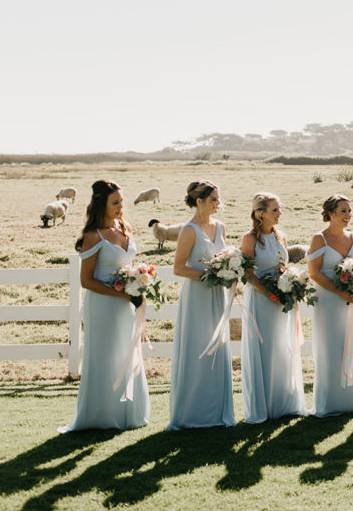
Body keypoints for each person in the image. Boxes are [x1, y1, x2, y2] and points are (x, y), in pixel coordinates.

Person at [59, 180, 150, 432]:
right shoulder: (92, 236)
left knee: (126, 353)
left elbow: (127, 263)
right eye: (115, 202)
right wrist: (120, 292)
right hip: (103, 305)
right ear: (102, 204)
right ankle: (101, 414)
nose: (121, 206)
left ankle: (128, 413)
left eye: (122, 201)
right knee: (105, 356)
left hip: (126, 305)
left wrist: (138, 282)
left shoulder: (124, 229)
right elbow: (86, 280)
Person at [168, 180, 236, 430]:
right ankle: (192, 413)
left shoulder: (220, 228)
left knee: (218, 347)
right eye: (213, 199)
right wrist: (211, 276)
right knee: (198, 347)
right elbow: (179, 268)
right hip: (197, 296)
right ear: (199, 201)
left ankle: (217, 412)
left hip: (218, 296)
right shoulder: (189, 230)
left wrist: (229, 271)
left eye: (218, 199)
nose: (218, 204)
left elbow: (224, 257)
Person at [239, 192, 307, 423]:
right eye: (274, 210)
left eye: (279, 209)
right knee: (264, 348)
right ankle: (263, 405)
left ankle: (283, 402)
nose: (279, 214)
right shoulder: (249, 239)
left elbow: (284, 266)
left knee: (281, 347)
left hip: (282, 300)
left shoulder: (281, 237)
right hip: (260, 300)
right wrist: (269, 293)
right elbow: (248, 274)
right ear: (260, 213)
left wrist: (290, 284)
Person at [305, 195, 353, 417]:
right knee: (331, 348)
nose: (348, 215)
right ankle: (330, 402)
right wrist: (339, 290)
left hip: (350, 302)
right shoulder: (319, 239)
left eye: (349, 211)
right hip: (329, 302)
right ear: (330, 213)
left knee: (352, 345)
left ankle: (352, 400)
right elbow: (314, 273)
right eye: (343, 211)